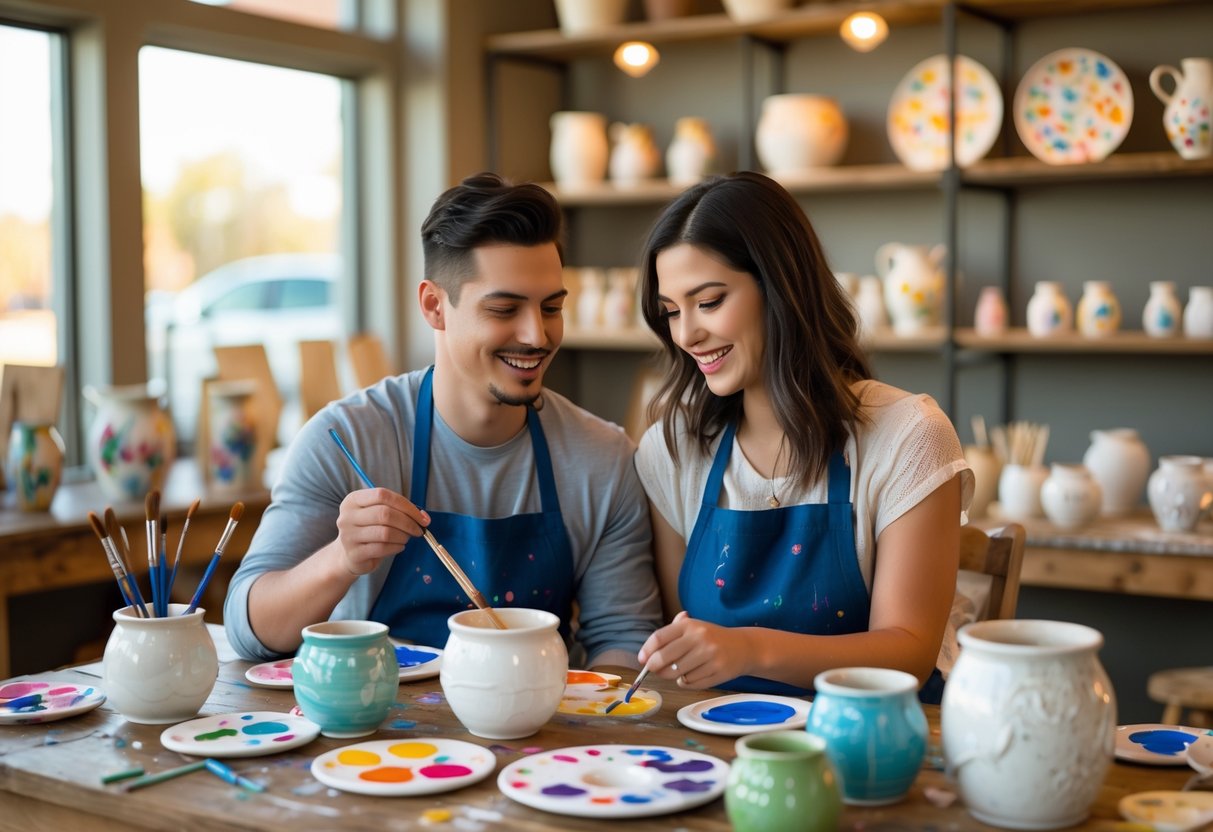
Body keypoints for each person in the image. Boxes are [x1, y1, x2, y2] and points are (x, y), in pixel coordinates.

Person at [224, 172, 662, 669]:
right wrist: (341, 558)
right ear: (435, 306)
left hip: (534, 731)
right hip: (379, 734)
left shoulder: (603, 457)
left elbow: (623, 640)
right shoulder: (344, 439)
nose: (536, 335)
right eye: (504, 308)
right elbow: (249, 629)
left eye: (551, 307)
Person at [631, 171, 973, 697]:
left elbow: (908, 651)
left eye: (710, 301)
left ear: (782, 287)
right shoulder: (673, 448)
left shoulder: (908, 436)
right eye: (671, 312)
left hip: (867, 749)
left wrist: (749, 648)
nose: (686, 334)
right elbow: (677, 633)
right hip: (718, 739)